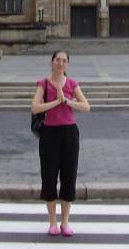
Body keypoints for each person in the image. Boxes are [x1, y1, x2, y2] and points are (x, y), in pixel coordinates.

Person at [31, 50, 91, 237]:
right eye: (58, 60)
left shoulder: (72, 84)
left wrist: (67, 101)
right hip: (49, 134)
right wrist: (56, 102)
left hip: (69, 134)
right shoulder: (43, 84)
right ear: (52, 62)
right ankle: (52, 222)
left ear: (68, 65)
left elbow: (86, 107)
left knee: (69, 177)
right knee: (49, 177)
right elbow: (35, 107)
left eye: (64, 61)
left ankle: (65, 222)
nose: (61, 63)